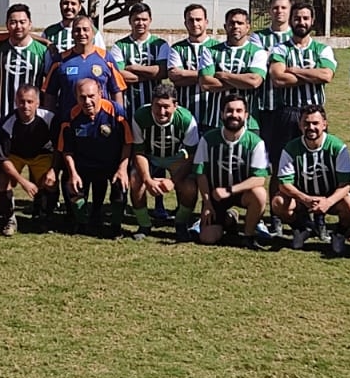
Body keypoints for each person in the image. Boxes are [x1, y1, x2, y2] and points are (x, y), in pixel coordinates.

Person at [272, 103, 350, 255]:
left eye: (315, 123)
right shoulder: (291, 148)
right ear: (300, 125)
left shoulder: (337, 147)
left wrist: (328, 201)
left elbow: (345, 185)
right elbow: (284, 184)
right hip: (303, 199)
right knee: (278, 202)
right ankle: (301, 228)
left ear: (324, 124)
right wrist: (305, 199)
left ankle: (338, 234)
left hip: (330, 198)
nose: (310, 127)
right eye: (306, 123)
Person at [265, 3, 336, 169]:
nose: (301, 22)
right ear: (290, 21)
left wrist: (293, 70)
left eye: (305, 18)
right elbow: (279, 79)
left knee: (316, 163)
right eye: (297, 18)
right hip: (289, 112)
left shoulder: (323, 49)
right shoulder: (280, 49)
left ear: (312, 21)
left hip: (315, 112)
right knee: (281, 165)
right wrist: (313, 74)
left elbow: (326, 76)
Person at [58, 77, 132, 236]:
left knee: (120, 189)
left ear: (100, 93)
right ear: (76, 97)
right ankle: (82, 224)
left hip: (111, 165)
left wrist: (122, 169)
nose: (87, 101)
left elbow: (128, 142)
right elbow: (66, 150)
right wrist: (73, 174)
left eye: (91, 96)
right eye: (82, 97)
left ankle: (115, 227)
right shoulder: (70, 116)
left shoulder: (116, 112)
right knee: (71, 187)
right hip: (83, 166)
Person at [195, 96, 270, 249]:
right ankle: (229, 219)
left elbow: (259, 179)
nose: (234, 115)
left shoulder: (255, 142)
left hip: (241, 193)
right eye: (229, 111)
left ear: (246, 115)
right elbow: (200, 173)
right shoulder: (208, 139)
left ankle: (248, 235)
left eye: (239, 111)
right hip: (216, 195)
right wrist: (207, 203)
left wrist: (229, 190)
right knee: (207, 238)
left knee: (260, 194)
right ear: (222, 113)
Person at [128, 82, 201, 239]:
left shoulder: (187, 120)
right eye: (157, 106)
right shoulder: (140, 116)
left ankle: (181, 224)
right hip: (150, 156)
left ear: (175, 105)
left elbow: (192, 156)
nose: (161, 112)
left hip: (176, 157)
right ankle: (144, 225)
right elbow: (138, 152)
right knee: (135, 179)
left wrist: (173, 181)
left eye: (166, 107)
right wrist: (147, 179)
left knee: (189, 186)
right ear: (151, 104)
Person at [0, 83, 59, 236]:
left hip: (41, 155)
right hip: (16, 156)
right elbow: (3, 159)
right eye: (22, 101)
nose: (25, 106)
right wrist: (23, 182)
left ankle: (44, 217)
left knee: (51, 181)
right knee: (3, 178)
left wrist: (54, 170)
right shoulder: (8, 122)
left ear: (38, 103)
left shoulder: (49, 118)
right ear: (16, 102)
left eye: (30, 102)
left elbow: (59, 148)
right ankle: (9, 219)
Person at [42, 16, 124, 117]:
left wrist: (120, 117)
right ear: (72, 34)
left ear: (93, 34)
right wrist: (49, 120)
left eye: (86, 30)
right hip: (69, 122)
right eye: (77, 30)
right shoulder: (60, 60)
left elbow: (116, 91)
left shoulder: (106, 58)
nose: (81, 33)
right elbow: (50, 94)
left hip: (101, 123)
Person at [199, 8, 267, 125]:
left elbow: (254, 81)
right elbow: (205, 83)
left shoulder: (257, 52)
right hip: (215, 120)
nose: (236, 26)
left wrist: (223, 75)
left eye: (240, 23)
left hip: (248, 123)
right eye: (232, 23)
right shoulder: (210, 51)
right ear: (225, 26)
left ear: (247, 27)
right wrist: (242, 81)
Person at [111, 3, 172, 116]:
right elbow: (117, 74)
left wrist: (134, 68)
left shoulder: (160, 45)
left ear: (150, 21)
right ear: (130, 21)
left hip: (155, 107)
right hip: (128, 106)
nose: (141, 23)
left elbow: (162, 72)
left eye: (144, 19)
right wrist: (150, 74)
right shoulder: (119, 46)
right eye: (136, 19)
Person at [0, 3, 48, 125]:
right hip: (4, 117)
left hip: (32, 120)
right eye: (13, 22)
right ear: (7, 25)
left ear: (30, 24)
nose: (18, 26)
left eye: (22, 22)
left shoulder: (42, 51)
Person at [168, 3, 220, 131]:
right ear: (185, 23)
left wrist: (185, 74)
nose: (195, 23)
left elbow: (221, 77)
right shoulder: (177, 48)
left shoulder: (218, 48)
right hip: (185, 110)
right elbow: (174, 76)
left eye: (198, 19)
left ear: (206, 22)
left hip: (212, 111)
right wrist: (207, 76)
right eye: (190, 20)